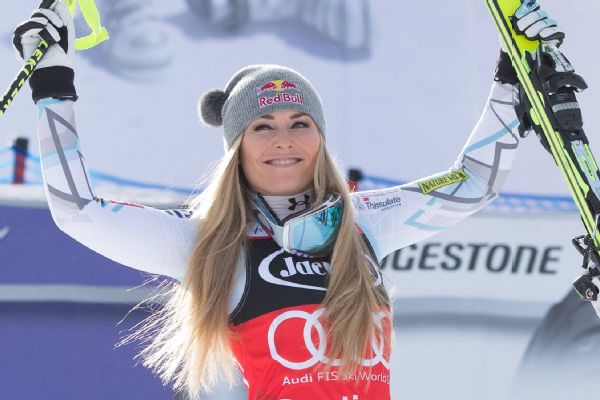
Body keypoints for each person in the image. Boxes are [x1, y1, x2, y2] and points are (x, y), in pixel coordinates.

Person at [12, 1, 570, 398]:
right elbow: (79, 212)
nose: (284, 139)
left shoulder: (364, 221)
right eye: (262, 126)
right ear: (236, 149)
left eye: (300, 122)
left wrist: (512, 75)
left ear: (320, 139)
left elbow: (472, 182)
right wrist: (53, 83)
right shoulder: (208, 242)